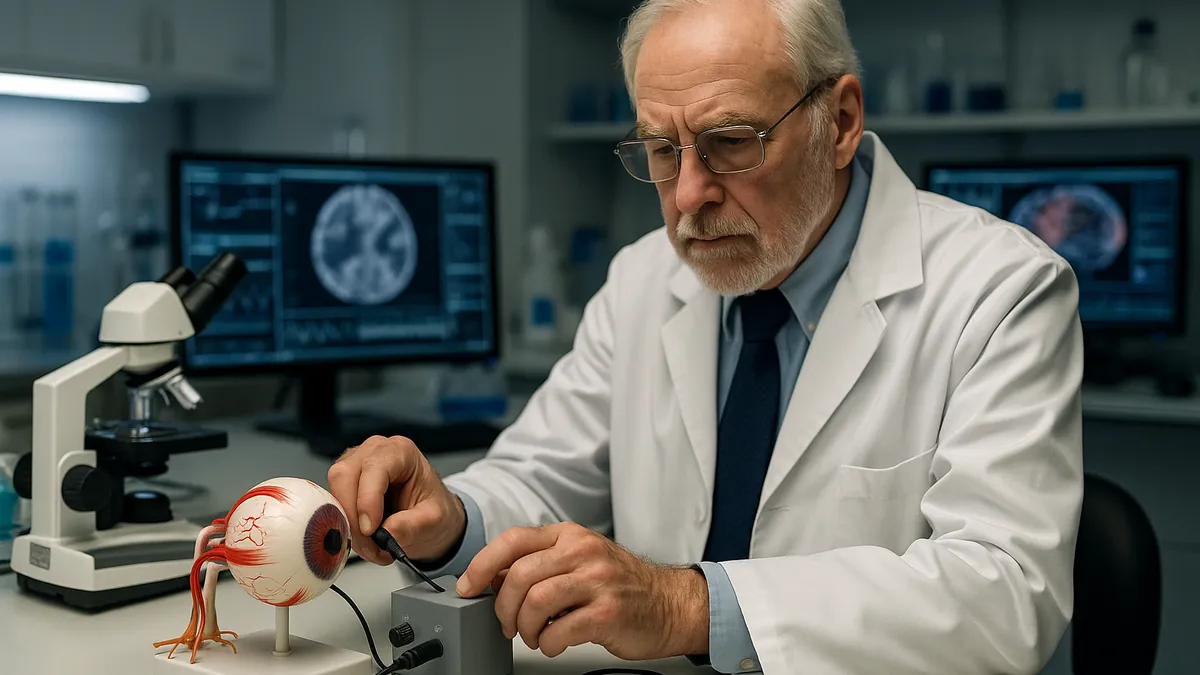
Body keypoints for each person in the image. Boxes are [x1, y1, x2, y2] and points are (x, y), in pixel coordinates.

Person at [327, 0, 1085, 672]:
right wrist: (449, 519)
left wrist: (685, 607)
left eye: (729, 141)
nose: (688, 194)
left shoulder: (1000, 289)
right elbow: (542, 479)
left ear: (842, 122)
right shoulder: (643, 280)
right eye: (662, 150)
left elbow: (1004, 595)